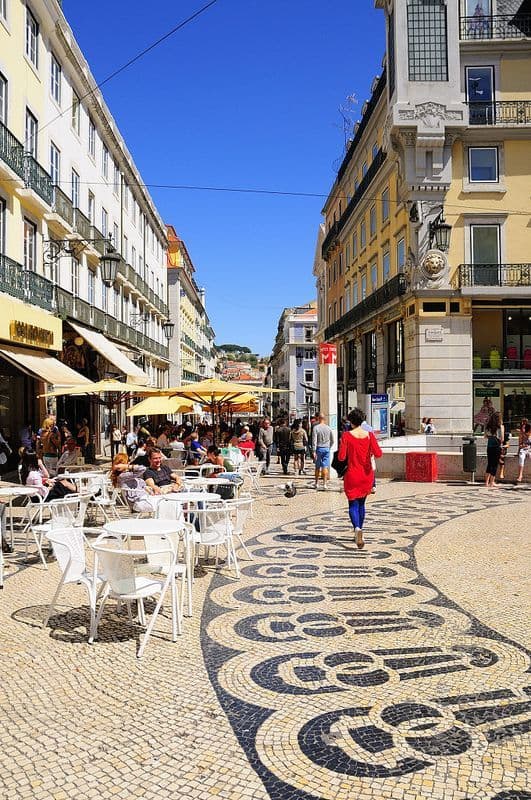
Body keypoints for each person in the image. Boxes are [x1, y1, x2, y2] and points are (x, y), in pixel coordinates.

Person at [338, 407, 382, 550]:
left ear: (351, 421)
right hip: (366, 474)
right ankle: (360, 529)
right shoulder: (369, 435)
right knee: (362, 504)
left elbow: (341, 457)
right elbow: (378, 453)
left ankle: (357, 528)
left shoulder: (346, 436)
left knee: (352, 505)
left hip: (352, 474)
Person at [312, 413, 334, 490]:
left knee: (317, 467)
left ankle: (316, 483)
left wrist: (313, 451)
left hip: (318, 448)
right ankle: (324, 484)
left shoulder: (316, 428)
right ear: (324, 419)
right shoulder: (328, 428)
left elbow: (314, 440)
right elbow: (332, 440)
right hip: (326, 448)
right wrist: (329, 446)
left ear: (318, 418)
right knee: (325, 466)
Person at [484, 412, 504, 488]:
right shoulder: (500, 426)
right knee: (494, 465)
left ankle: (486, 482)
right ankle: (492, 482)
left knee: (489, 464)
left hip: (489, 447)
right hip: (496, 447)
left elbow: (485, 436)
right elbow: (502, 439)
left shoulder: (488, 426)